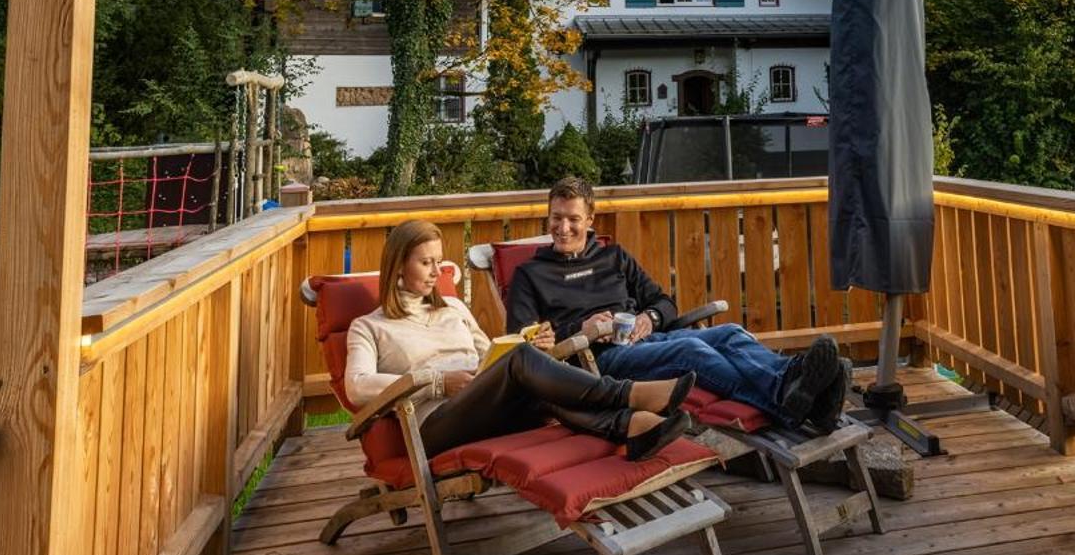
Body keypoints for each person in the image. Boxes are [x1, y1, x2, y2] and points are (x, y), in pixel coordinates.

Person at [504, 176, 849, 431]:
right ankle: (791, 399)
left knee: (729, 332)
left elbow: (663, 302)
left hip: (647, 340)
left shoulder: (613, 257)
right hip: (597, 362)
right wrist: (582, 330)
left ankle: (793, 380)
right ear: (547, 217)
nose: (563, 228)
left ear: (590, 220)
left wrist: (649, 319)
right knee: (691, 352)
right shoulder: (530, 274)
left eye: (573, 219)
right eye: (556, 218)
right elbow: (521, 344)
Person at [345, 218, 697, 462]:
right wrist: (436, 383)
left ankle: (633, 427)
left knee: (534, 373)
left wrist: (528, 342)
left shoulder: (451, 307)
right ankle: (628, 393)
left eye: (440, 262)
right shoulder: (369, 327)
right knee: (522, 362)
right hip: (435, 424)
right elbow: (357, 387)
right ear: (398, 266)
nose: (438, 273)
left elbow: (490, 356)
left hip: (484, 404)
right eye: (426, 263)